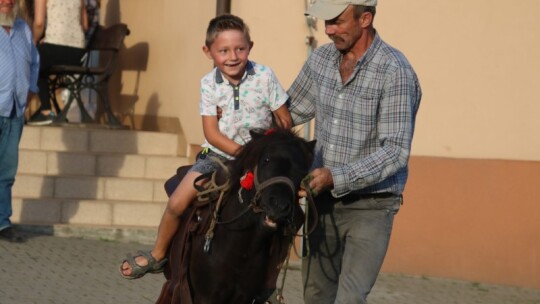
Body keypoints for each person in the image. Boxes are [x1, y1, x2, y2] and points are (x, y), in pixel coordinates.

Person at [120, 14, 292, 279]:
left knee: (286, 207)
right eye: (223, 51)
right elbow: (211, 133)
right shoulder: (208, 84)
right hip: (219, 157)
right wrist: (245, 155)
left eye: (240, 49)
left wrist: (274, 149)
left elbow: (284, 118)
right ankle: (158, 253)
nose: (233, 56)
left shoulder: (265, 76)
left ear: (250, 46)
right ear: (208, 52)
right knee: (178, 200)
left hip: (262, 161)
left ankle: (269, 278)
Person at [287, 0, 422, 303]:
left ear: (365, 19)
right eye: (326, 22)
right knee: (316, 297)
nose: (328, 29)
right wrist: (239, 106)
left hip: (372, 207)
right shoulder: (321, 59)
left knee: (349, 299)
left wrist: (334, 177)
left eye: (336, 21)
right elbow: (288, 112)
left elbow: (395, 151)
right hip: (322, 204)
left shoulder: (395, 71)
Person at [0, 0, 40, 242]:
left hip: (15, 109)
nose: (7, 2)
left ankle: (2, 222)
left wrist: (31, 87)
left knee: (6, 170)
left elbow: (34, 62)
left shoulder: (23, 29)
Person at [27, 0, 87, 125]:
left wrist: (33, 41)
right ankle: (47, 108)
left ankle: (46, 111)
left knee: (32, 58)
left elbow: (39, 24)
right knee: (39, 59)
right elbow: (85, 25)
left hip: (55, 46)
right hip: (78, 53)